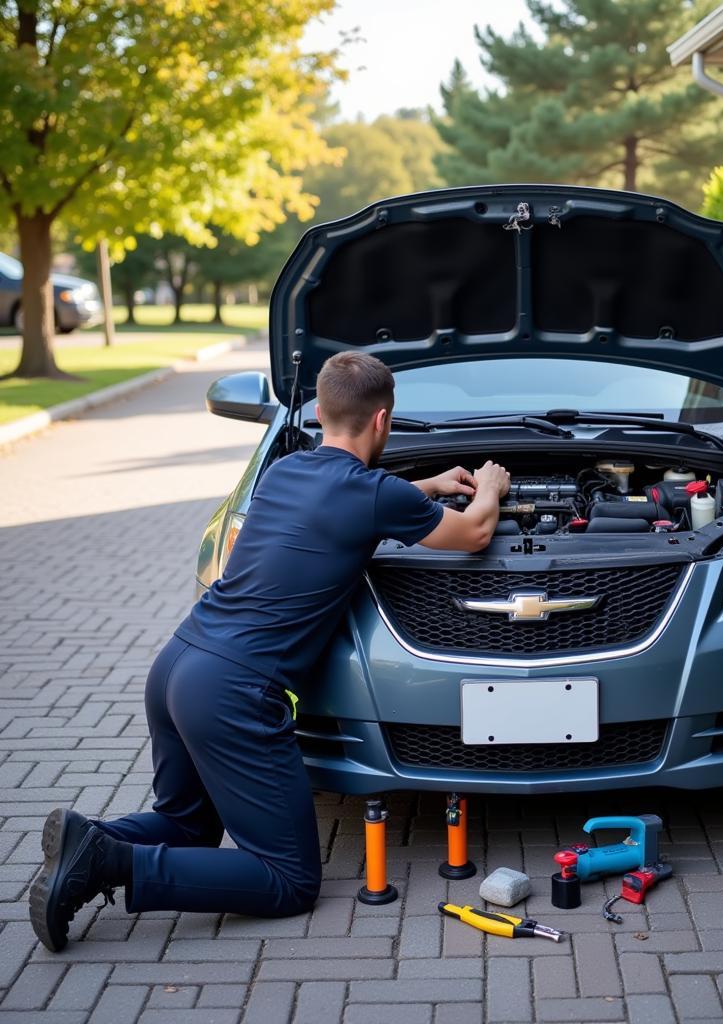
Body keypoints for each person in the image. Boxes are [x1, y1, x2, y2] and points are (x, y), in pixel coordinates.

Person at [30, 351, 511, 952]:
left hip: (177, 664)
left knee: (188, 824)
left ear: (320, 411)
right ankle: (105, 862)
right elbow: (474, 533)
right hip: (232, 692)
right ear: (383, 420)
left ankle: (83, 840)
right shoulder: (373, 494)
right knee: (288, 881)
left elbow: (356, 499)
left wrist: (429, 487)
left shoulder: (287, 472)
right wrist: (487, 487)